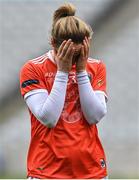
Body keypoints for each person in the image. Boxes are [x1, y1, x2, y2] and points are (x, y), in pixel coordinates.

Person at [20, 3, 108, 179]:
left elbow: (95, 116)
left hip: (91, 171)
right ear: (53, 43)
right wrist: (63, 72)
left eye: (78, 54)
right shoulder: (33, 68)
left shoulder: (95, 66)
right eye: (68, 53)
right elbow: (48, 118)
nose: (73, 60)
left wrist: (81, 71)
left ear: (87, 43)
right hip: (47, 172)